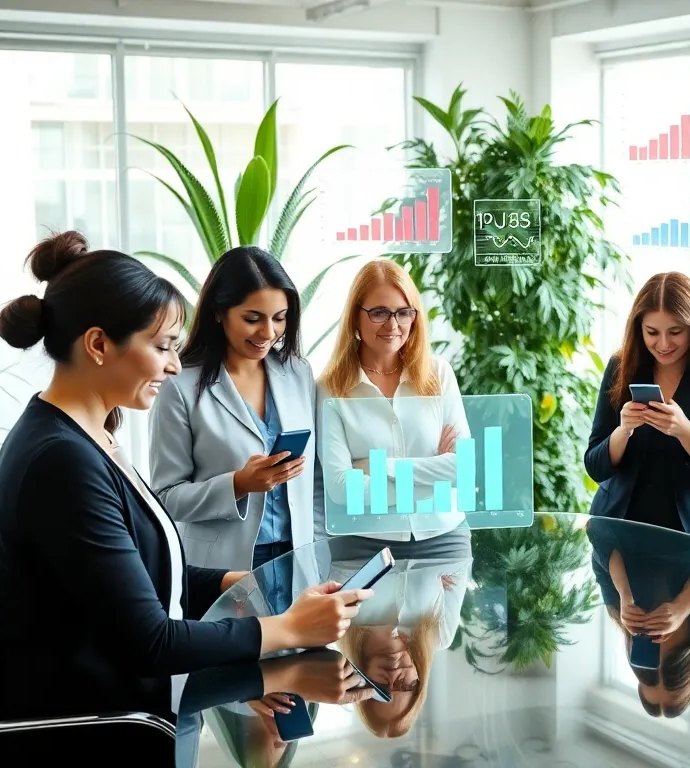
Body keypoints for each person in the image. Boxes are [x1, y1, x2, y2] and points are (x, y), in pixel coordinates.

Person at [0, 231, 371, 761]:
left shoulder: (85, 438)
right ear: (98, 345)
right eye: (162, 346)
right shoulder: (61, 462)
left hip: (116, 695)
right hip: (101, 723)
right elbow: (148, 643)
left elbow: (134, 575)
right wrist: (283, 635)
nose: (172, 365)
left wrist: (233, 583)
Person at [150, 246, 321, 581]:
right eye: (252, 319)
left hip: (299, 561)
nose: (268, 333)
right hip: (222, 568)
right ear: (218, 311)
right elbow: (166, 498)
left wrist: (320, 553)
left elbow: (313, 480)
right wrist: (238, 484)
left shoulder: (298, 372)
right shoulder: (179, 386)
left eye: (280, 318)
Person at [316, 259, 471, 553]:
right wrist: (433, 475)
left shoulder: (437, 374)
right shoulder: (330, 387)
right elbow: (340, 490)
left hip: (445, 537)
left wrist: (376, 468)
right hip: (363, 545)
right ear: (355, 318)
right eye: (379, 313)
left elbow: (461, 468)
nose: (393, 324)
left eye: (403, 312)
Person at [585, 272, 690, 541]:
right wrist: (623, 431)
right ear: (639, 329)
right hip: (619, 526)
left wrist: (685, 432)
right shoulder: (621, 367)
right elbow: (594, 466)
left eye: (675, 332)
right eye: (652, 332)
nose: (663, 344)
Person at [588, 517, 690, 718]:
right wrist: (686, 601)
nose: (656, 634)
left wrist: (624, 591)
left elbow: (596, 530)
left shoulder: (618, 606)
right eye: (673, 663)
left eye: (647, 672)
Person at [333, 537, 471, 738]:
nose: (393, 675)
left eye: (381, 688)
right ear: (419, 683)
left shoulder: (340, 628)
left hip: (361, 526)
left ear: (362, 684)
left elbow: (334, 563)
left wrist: (431, 572)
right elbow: (460, 558)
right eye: (405, 685)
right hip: (436, 526)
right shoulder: (440, 635)